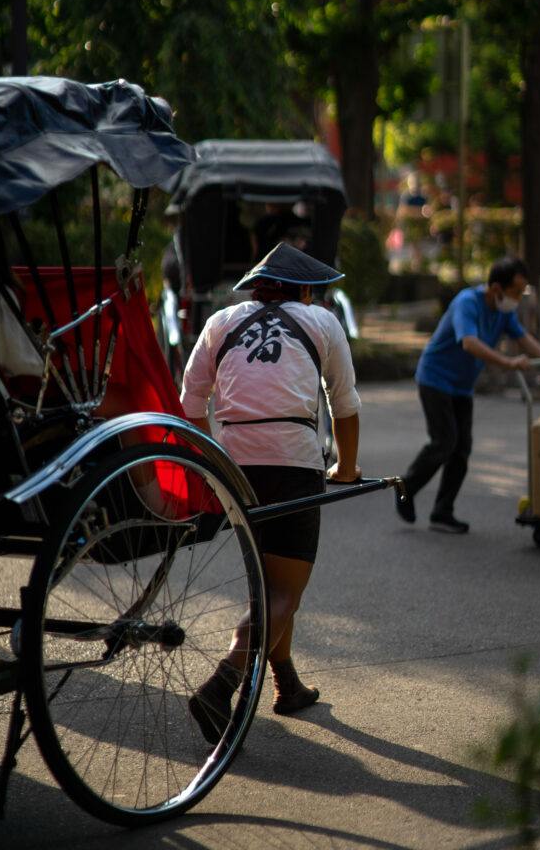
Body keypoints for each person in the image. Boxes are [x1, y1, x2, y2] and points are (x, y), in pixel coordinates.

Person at [180, 242, 362, 743]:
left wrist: (215, 459)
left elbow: (190, 400)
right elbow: (344, 405)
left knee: (271, 582)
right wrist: (346, 469)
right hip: (293, 461)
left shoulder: (221, 321)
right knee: (284, 590)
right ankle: (224, 681)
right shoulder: (321, 320)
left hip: (234, 467)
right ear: (304, 288)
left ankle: (287, 683)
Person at [395, 256, 540, 534]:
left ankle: (442, 512)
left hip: (462, 386)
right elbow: (470, 343)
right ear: (495, 289)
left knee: (462, 448)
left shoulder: (504, 311)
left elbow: (523, 339)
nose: (517, 298)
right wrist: (509, 362)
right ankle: (406, 487)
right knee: (445, 441)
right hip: (435, 379)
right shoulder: (467, 303)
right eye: (514, 293)